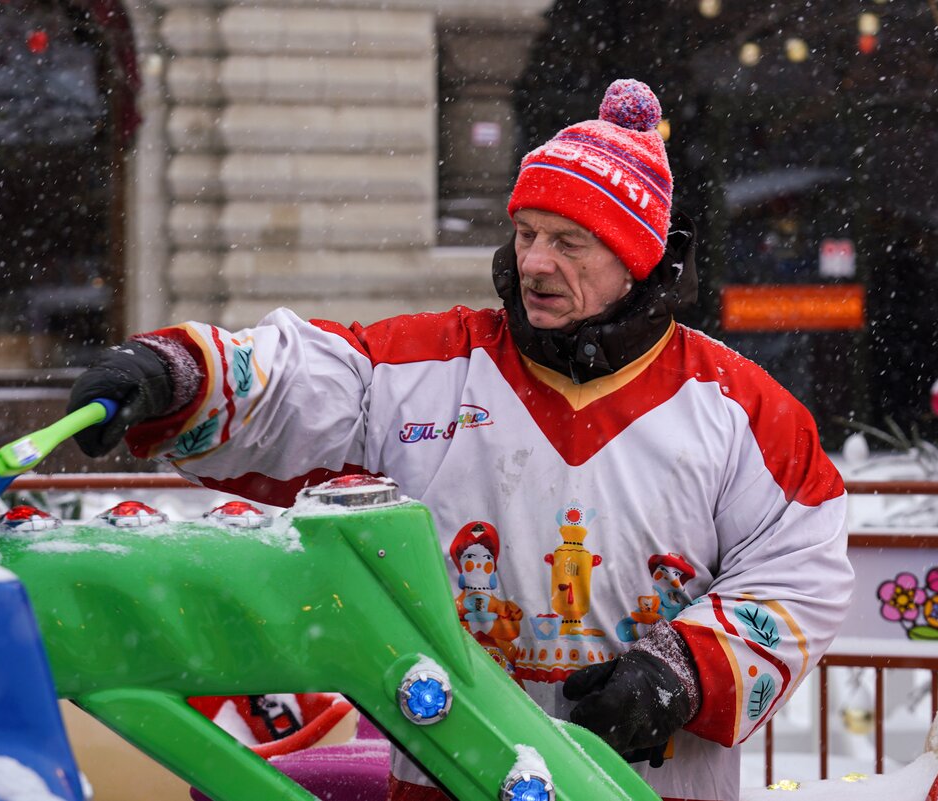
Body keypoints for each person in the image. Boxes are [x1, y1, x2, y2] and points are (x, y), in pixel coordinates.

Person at [67, 79, 854, 801]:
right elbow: (306, 378)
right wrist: (182, 374)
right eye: (526, 232)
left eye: (569, 241)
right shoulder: (430, 367)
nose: (535, 262)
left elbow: (801, 571)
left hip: (650, 784)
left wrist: (682, 672)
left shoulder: (743, 408)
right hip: (448, 777)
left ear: (635, 257)